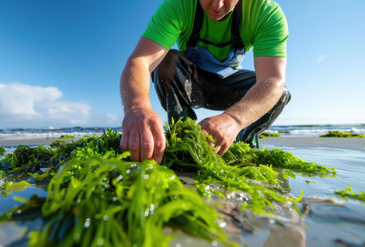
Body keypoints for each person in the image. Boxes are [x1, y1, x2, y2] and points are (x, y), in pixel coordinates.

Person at [120, 0, 291, 163]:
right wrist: (137, 108)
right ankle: (182, 137)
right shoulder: (178, 6)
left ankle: (241, 142)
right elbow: (140, 61)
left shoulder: (265, 12)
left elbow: (272, 79)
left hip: (228, 89)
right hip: (190, 84)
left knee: (278, 94)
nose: (217, 5)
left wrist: (234, 120)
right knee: (166, 60)